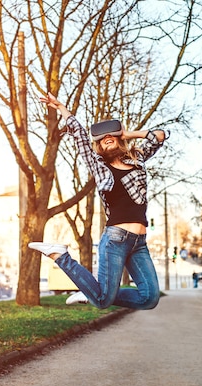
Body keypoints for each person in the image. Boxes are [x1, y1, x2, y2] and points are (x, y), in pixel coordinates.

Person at [29, 92, 168, 310]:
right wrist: (62, 108)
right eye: (102, 139)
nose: (107, 139)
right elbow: (80, 135)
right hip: (116, 240)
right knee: (103, 301)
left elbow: (160, 135)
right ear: (98, 146)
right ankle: (61, 256)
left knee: (149, 298)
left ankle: (90, 291)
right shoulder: (98, 165)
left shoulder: (137, 157)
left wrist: (126, 133)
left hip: (139, 242)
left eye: (111, 136)